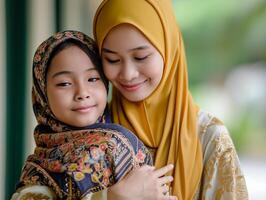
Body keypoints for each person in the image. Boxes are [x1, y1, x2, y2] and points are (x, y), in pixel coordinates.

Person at [93, 0, 249, 199]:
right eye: (112, 60)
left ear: (169, 48)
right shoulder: (93, 132)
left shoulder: (209, 138)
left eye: (141, 57)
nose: (128, 73)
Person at [11, 30, 160, 199]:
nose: (82, 93)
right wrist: (109, 197)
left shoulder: (125, 140)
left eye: (93, 79)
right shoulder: (39, 173)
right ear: (41, 93)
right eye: (64, 83)